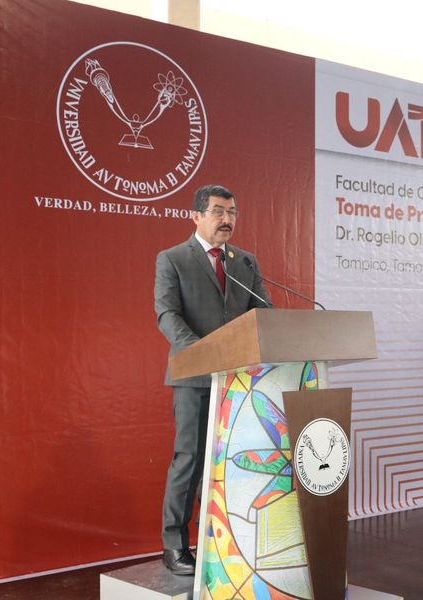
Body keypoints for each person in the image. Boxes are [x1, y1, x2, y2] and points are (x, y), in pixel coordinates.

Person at [154, 184, 271, 575]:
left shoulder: (245, 262)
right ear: (196, 216)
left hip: (240, 381)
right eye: (219, 211)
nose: (227, 219)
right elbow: (167, 315)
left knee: (232, 462)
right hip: (194, 378)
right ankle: (174, 544)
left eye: (232, 212)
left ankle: (221, 539)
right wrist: (204, 354)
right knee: (190, 460)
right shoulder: (172, 259)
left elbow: (263, 314)